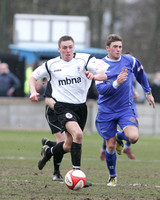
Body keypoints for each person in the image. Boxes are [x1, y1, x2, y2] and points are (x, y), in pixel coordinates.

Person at [29, 35, 107, 186]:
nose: (68, 50)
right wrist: (33, 91)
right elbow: (33, 77)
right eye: (64, 47)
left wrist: (95, 75)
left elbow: (105, 72)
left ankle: (49, 152)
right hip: (62, 107)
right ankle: (77, 174)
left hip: (81, 108)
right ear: (59, 49)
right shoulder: (51, 65)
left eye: (70, 47)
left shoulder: (85, 60)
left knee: (68, 146)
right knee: (78, 134)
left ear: (74, 48)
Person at [95, 34, 155, 187]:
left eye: (120, 47)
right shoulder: (100, 65)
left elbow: (141, 74)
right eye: (115, 47)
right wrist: (116, 83)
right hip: (106, 111)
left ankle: (119, 137)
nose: (118, 50)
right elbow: (101, 90)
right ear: (108, 48)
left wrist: (148, 93)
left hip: (125, 109)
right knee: (110, 146)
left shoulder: (129, 61)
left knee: (134, 137)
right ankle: (112, 176)